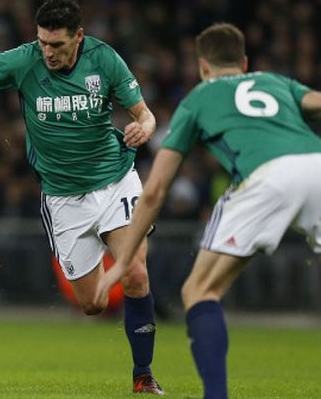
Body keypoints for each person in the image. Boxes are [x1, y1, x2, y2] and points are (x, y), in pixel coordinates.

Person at [0, 0, 164, 394]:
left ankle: (143, 376)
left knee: (136, 272)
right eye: (43, 43)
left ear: (79, 37)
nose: (49, 52)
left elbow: (144, 112)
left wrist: (145, 126)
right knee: (93, 304)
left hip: (114, 180)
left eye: (57, 45)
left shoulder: (105, 60)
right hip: (63, 197)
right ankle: (116, 263)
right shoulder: (23, 60)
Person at [95, 22, 321, 399]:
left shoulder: (198, 99)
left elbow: (154, 191)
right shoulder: (276, 82)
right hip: (316, 163)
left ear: (202, 67)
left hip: (264, 178)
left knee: (199, 291)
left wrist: (121, 262)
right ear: (244, 62)